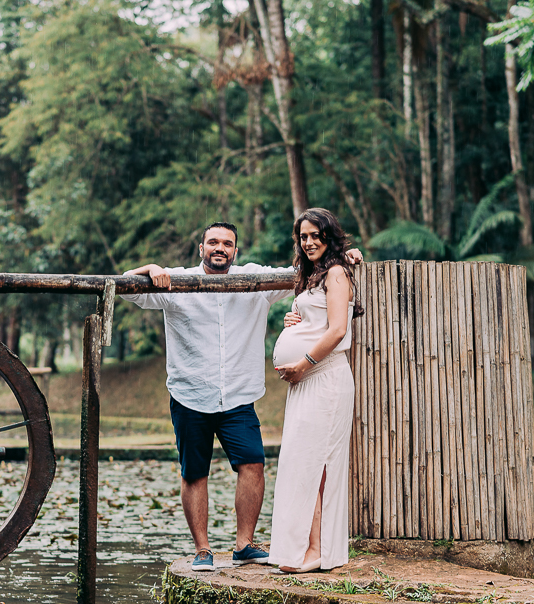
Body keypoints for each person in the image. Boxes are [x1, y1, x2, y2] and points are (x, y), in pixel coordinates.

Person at [121, 221, 360, 572]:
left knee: (253, 465)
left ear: (236, 250)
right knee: (194, 472)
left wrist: (346, 256)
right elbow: (126, 287)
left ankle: (244, 544)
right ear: (200, 248)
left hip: (238, 395)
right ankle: (202, 550)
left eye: (227, 243)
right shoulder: (174, 280)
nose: (220, 248)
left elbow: (303, 269)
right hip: (190, 393)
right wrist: (149, 269)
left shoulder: (256, 279)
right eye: (213, 242)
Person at [268, 208, 364, 573]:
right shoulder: (311, 277)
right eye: (302, 237)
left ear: (329, 236)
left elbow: (338, 330)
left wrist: (303, 363)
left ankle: (316, 550)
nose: (308, 242)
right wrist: (295, 320)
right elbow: (317, 320)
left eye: (314, 235)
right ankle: (305, 546)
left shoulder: (338, 273)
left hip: (325, 379)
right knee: (300, 461)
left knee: (318, 463)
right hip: (305, 382)